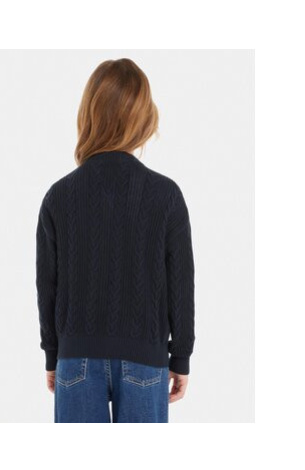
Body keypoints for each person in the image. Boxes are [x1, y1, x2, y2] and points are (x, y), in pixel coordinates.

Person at [36, 58, 195, 423]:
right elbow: (181, 284)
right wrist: (181, 356)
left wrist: (53, 354)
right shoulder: (166, 196)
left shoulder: (59, 196)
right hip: (146, 360)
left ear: (89, 114)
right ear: (143, 117)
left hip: (76, 358)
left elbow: (47, 286)